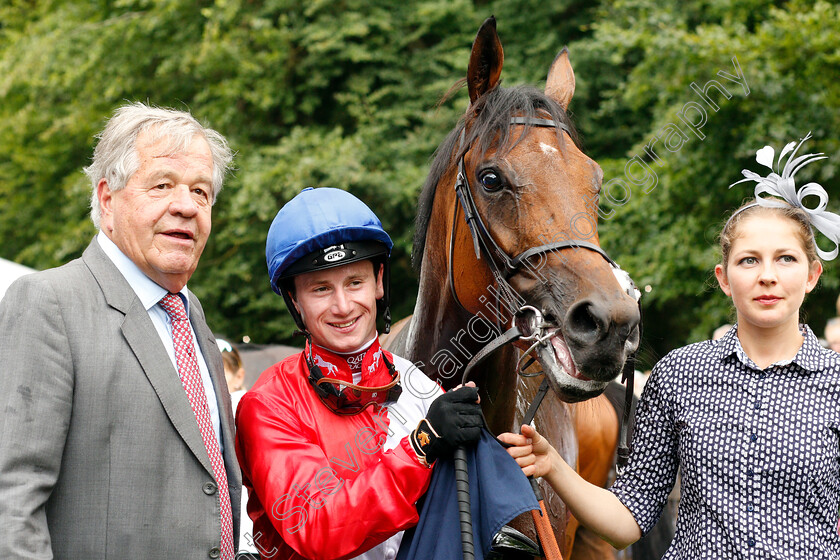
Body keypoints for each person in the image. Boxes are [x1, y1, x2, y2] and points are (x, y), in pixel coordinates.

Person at [500, 135, 840, 558]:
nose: (767, 275)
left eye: (786, 259)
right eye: (749, 260)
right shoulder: (680, 375)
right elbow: (627, 521)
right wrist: (552, 465)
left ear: (811, 275)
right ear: (723, 277)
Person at [0, 102, 241, 559]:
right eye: (163, 185)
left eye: (201, 192)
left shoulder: (195, 322)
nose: (186, 206)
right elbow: (10, 504)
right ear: (108, 199)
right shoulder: (49, 303)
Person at [235, 187, 483, 560]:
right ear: (294, 301)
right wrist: (421, 447)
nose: (343, 306)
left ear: (379, 281)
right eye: (321, 289)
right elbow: (316, 527)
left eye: (355, 282)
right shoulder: (267, 404)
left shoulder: (420, 386)